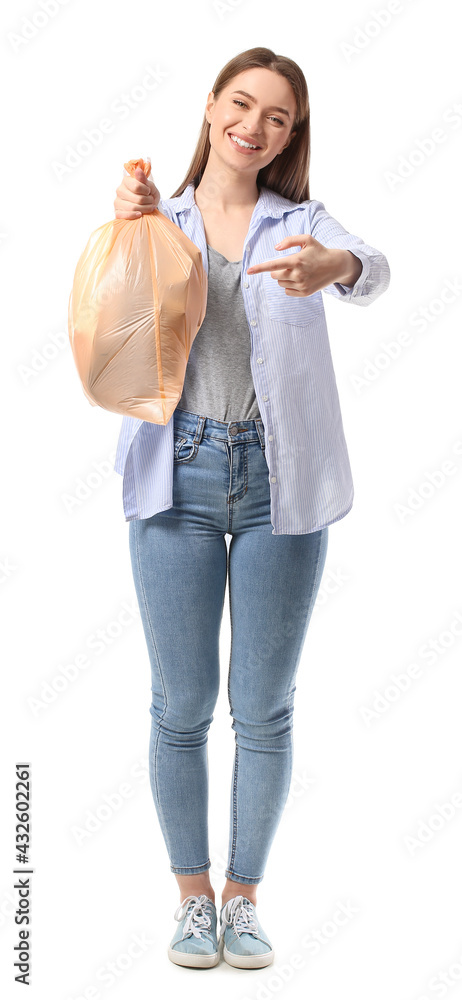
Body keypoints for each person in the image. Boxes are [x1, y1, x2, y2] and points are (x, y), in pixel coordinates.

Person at [113, 46, 390, 971]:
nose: (256, 126)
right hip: (176, 475)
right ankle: (191, 901)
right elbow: (107, 318)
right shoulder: (161, 217)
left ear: (291, 135)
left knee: (264, 708)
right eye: (243, 104)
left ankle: (244, 900)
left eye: (279, 117)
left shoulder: (302, 223)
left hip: (282, 485)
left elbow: (376, 270)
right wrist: (124, 231)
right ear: (210, 107)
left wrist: (336, 264)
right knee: (181, 703)